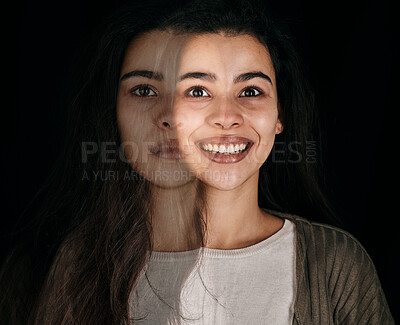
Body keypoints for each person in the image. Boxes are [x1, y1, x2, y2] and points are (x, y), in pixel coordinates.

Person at [1, 0, 394, 324]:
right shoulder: (48, 270)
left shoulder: (334, 267)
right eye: (144, 90)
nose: (226, 116)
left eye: (251, 90)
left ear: (280, 116)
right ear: (111, 112)